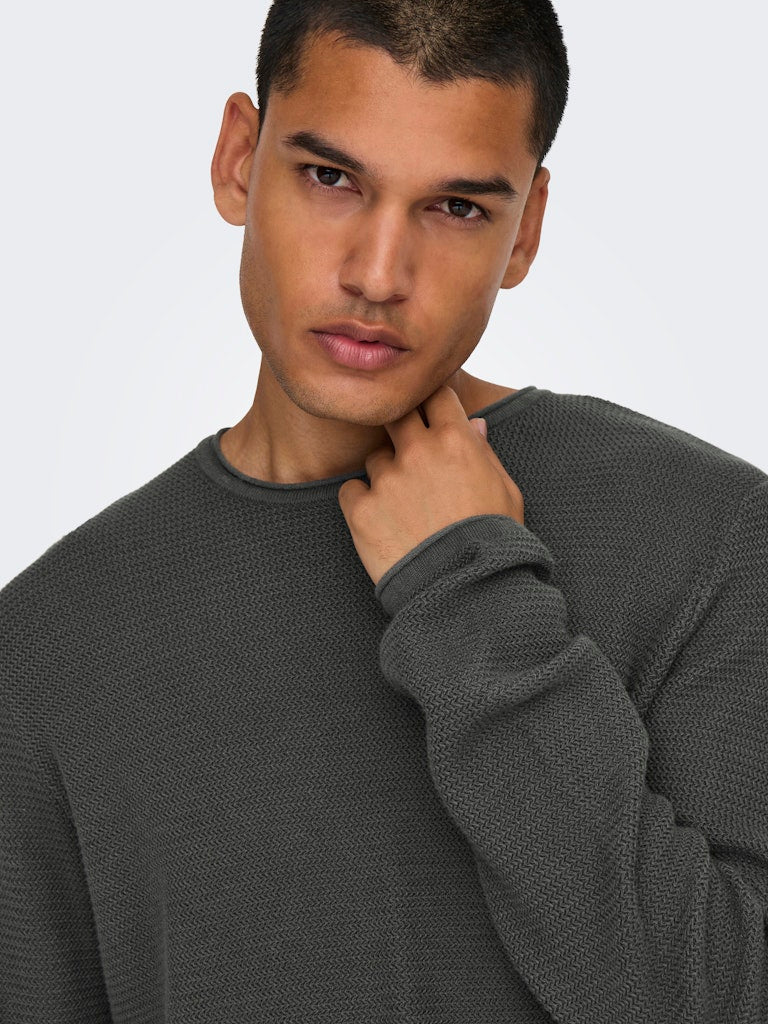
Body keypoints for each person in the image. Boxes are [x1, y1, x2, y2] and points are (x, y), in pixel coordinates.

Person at [1, 0, 766, 1021]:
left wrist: (472, 596)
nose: (376, 274)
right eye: (331, 178)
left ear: (527, 229)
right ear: (239, 160)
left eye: (454, 207)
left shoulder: (710, 537)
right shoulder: (50, 642)